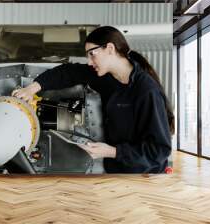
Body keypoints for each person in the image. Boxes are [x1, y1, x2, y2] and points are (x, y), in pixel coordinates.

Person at [12, 26, 174, 173]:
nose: (89, 61)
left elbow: (159, 151)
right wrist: (32, 88)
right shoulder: (106, 76)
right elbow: (68, 72)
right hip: (116, 170)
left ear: (110, 49)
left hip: (143, 176)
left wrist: (111, 151)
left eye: (92, 54)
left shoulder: (146, 91)